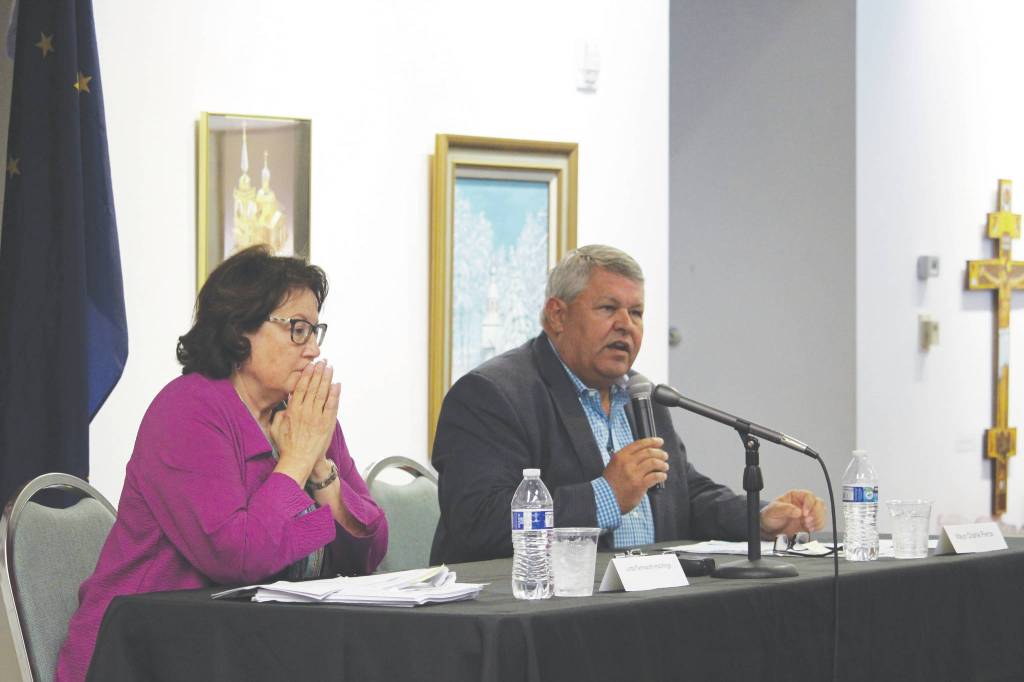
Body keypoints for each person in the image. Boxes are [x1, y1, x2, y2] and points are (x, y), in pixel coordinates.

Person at [56, 246, 388, 682]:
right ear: (239, 329)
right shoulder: (187, 411)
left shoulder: (304, 413)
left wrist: (322, 469)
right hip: (144, 656)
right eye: (298, 330)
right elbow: (237, 557)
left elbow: (369, 550)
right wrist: (296, 461)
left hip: (253, 651)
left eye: (315, 331)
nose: (312, 350)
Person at [430, 244, 824, 564]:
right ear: (557, 316)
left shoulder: (642, 396)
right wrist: (606, 495)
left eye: (636, 312)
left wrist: (757, 517)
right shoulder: (492, 395)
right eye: (607, 308)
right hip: (534, 617)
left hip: (641, 604)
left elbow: (684, 496)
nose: (626, 324)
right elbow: (480, 522)